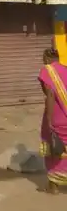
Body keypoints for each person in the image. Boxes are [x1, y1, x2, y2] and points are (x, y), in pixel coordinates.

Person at [39, 48, 67, 193]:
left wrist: (49, 119)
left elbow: (49, 94)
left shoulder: (47, 70)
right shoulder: (66, 69)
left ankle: (53, 185)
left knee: (53, 150)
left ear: (46, 58)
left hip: (56, 116)